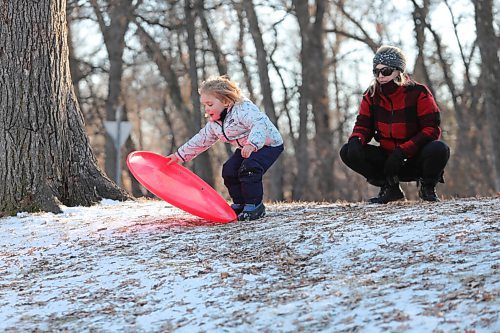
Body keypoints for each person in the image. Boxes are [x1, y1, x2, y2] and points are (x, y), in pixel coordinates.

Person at [340, 45, 450, 203]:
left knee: (440, 149)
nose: (380, 76)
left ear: (399, 71)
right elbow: (363, 125)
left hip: (414, 156)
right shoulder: (371, 95)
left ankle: (427, 188)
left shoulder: (419, 92)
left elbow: (431, 129)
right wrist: (356, 140)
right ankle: (390, 188)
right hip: (387, 160)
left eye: (385, 71)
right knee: (347, 151)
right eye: (376, 71)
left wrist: (402, 152)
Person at [167, 75, 284, 220]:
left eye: (210, 104)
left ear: (226, 101)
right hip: (245, 147)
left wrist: (252, 144)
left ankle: (254, 206)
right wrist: (179, 156)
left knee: (249, 168)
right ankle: (240, 204)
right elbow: (201, 140)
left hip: (268, 144)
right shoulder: (215, 124)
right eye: (204, 105)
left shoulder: (243, 109)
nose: (206, 109)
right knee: (229, 170)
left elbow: (259, 123)